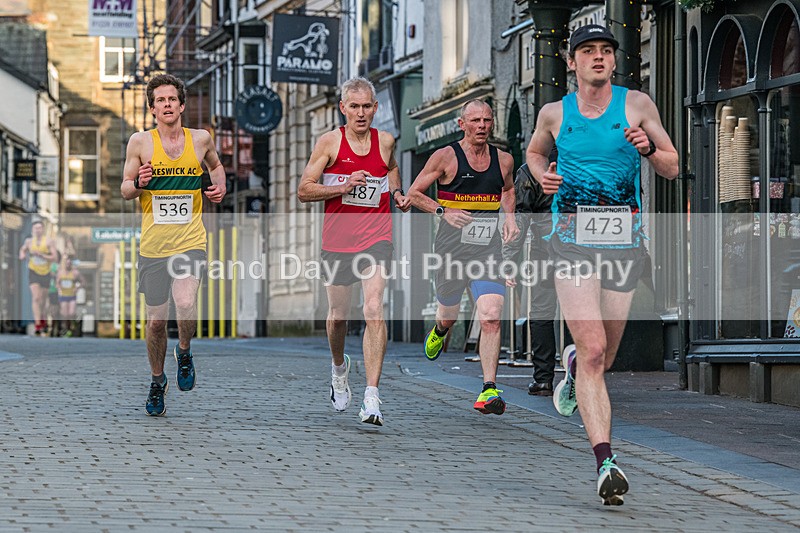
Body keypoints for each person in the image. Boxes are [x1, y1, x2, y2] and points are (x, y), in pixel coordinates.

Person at [526, 24, 679, 505]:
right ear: (571, 62)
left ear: (615, 61)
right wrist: (541, 176)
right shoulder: (554, 113)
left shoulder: (637, 105)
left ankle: (572, 370)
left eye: (605, 51)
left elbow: (673, 165)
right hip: (570, 241)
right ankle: (605, 462)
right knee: (592, 348)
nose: (597, 57)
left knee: (603, 357)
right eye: (587, 51)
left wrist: (648, 148)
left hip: (623, 244)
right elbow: (534, 152)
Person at [297, 76, 410, 427]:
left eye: (367, 107)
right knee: (338, 316)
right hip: (337, 243)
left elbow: (391, 169)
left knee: (374, 306)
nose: (361, 113)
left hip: (377, 238)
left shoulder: (387, 141)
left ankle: (372, 397)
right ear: (343, 108)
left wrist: (396, 192)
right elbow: (304, 189)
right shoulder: (330, 143)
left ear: (376, 109)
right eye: (354, 106)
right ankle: (338, 368)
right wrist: (343, 186)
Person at [121, 73, 226, 416]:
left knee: (184, 300)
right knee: (154, 322)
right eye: (160, 101)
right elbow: (124, 188)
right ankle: (156, 381)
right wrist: (139, 182)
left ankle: (183, 350)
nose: (167, 105)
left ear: (182, 105)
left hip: (190, 241)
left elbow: (217, 166)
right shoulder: (140, 142)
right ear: (152, 109)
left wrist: (218, 187)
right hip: (153, 246)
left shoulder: (201, 140)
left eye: (172, 100)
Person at [408, 99, 519, 415]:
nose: (482, 126)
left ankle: (488, 389)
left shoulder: (505, 160)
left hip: (487, 250)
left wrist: (509, 218)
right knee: (449, 316)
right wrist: (444, 211)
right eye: (475, 121)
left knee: (491, 316)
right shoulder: (445, 157)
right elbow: (415, 193)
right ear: (462, 124)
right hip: (450, 251)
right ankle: (441, 330)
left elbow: (508, 190)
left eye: (487, 120)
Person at [502, 163, 572, 396]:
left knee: (542, 310)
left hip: (546, 248)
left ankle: (543, 379)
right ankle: (584, 375)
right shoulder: (586, 157)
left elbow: (521, 216)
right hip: (583, 247)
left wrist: (509, 260)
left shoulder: (532, 168)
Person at [18, 217, 57, 336]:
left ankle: (43, 318)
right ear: (32, 229)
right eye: (36, 228)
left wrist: (43, 256)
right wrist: (22, 255)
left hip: (45, 272)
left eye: (40, 228)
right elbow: (22, 250)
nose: (38, 230)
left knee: (43, 299)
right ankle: (37, 323)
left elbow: (54, 257)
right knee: (36, 297)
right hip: (33, 271)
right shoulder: (29, 242)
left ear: (43, 229)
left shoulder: (49, 242)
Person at [56, 256, 85, 337]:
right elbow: (57, 282)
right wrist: (59, 288)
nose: (68, 265)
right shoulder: (60, 272)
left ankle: (73, 325)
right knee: (65, 314)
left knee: (71, 313)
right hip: (63, 295)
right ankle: (66, 329)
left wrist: (77, 288)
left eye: (69, 263)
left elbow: (83, 282)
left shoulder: (75, 273)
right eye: (66, 263)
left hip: (72, 295)